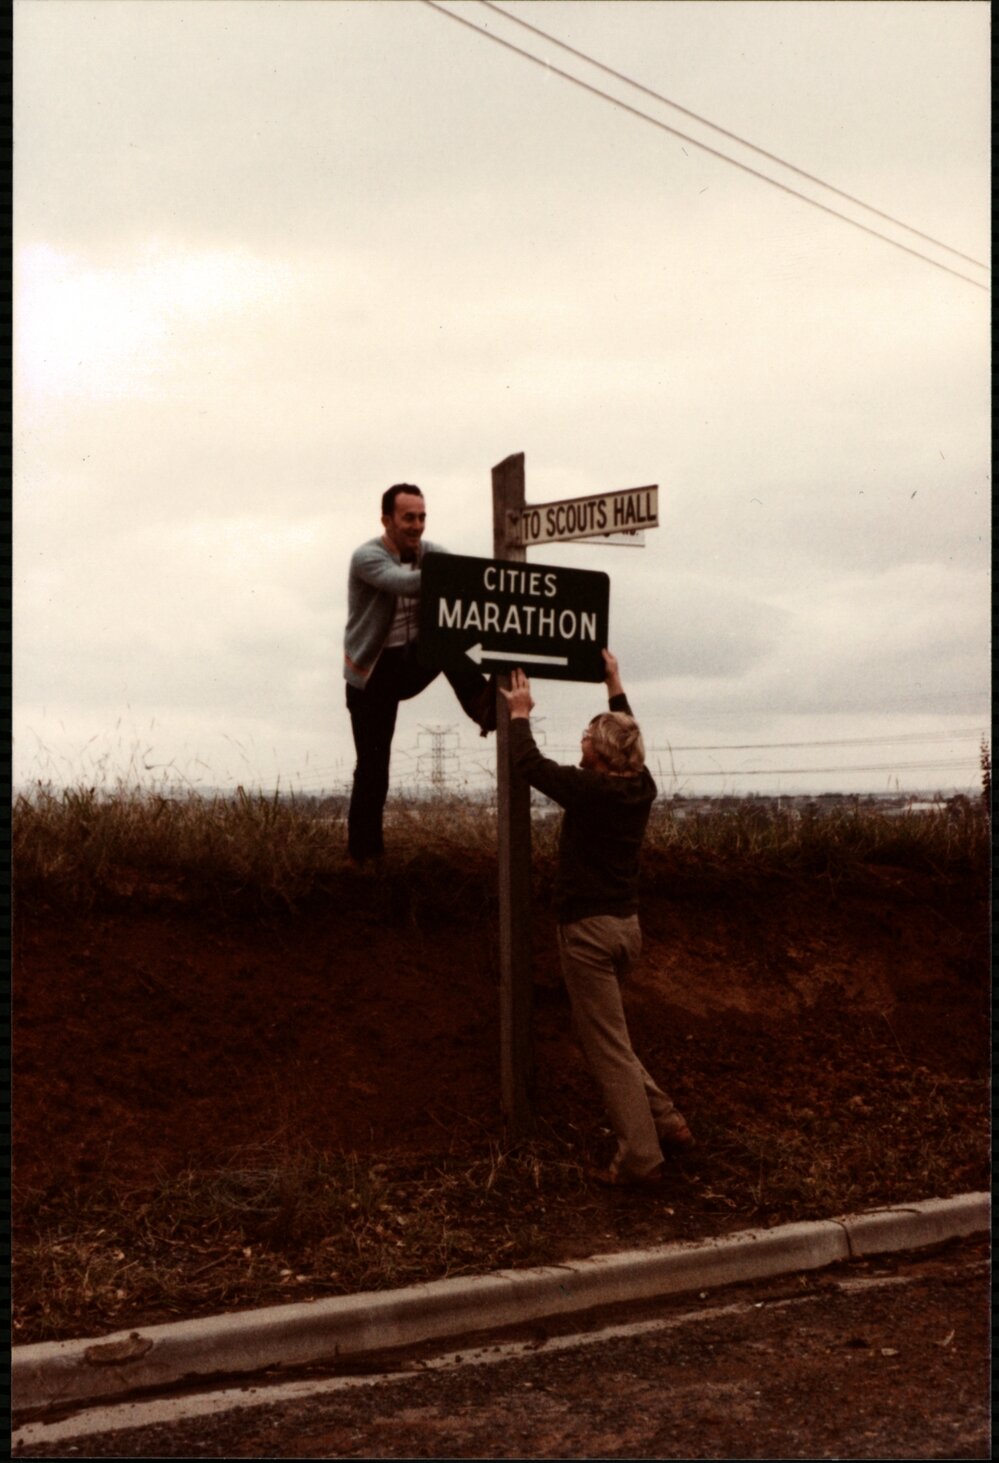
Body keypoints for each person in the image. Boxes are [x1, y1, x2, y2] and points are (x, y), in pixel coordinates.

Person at [500, 651, 693, 1188]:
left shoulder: (591, 791)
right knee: (609, 1037)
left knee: (605, 1046)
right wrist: (614, 683)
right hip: (626, 930)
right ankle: (666, 1120)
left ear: (601, 753)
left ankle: (640, 1159)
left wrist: (519, 712)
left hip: (588, 933)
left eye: (589, 735)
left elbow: (530, 765)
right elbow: (630, 734)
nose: (582, 738)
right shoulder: (640, 784)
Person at [344, 483, 495, 862]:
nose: (417, 525)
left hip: (413, 660)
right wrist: (456, 575)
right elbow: (405, 584)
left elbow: (459, 576)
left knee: (445, 638)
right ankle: (365, 857)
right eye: (408, 517)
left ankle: (484, 704)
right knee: (373, 767)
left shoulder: (433, 555)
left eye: (422, 517)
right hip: (374, 673)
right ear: (387, 520)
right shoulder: (367, 557)